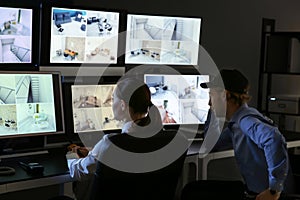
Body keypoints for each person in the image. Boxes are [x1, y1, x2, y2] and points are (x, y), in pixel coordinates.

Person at [201, 69, 294, 200]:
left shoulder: (246, 121)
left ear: (224, 95)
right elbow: (212, 144)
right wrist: (214, 113)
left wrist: (274, 190)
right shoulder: (238, 123)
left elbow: (273, 139)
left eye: (211, 96)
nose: (209, 103)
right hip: (255, 192)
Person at [66, 77, 164, 199]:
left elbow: (78, 172)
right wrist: (94, 153)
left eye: (113, 99)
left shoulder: (111, 143)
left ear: (122, 105)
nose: (111, 104)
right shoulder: (162, 138)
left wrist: (71, 155)